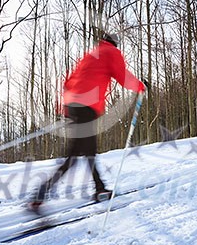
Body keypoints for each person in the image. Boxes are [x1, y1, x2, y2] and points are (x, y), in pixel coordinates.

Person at [27, 31, 146, 214]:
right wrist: (140, 86)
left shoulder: (91, 54)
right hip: (86, 106)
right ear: (114, 43)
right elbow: (122, 75)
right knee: (76, 156)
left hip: (74, 105)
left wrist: (66, 109)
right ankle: (41, 195)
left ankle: (98, 188)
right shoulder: (111, 53)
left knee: (84, 153)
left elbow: (69, 82)